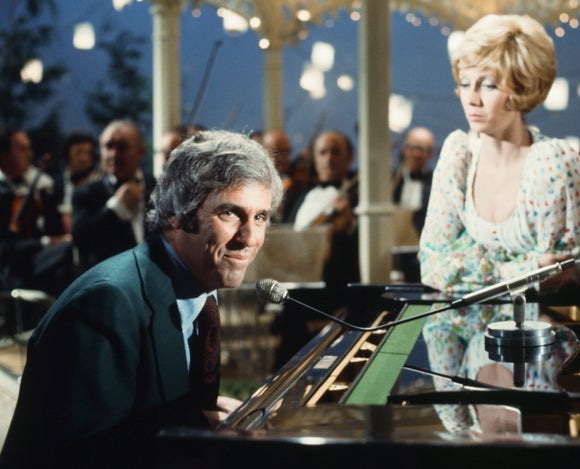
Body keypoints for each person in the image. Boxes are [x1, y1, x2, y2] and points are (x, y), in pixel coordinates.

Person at [0, 130, 284, 467]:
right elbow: (76, 456)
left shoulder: (201, 286)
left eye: (261, 217)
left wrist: (203, 422)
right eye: (230, 214)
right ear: (175, 213)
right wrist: (193, 435)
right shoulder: (105, 304)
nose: (249, 237)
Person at [418, 14, 580, 433]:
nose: (472, 99)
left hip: (559, 333)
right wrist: (518, 270)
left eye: (489, 84)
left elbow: (557, 273)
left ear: (522, 87)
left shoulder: (553, 164)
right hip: (477, 328)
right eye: (466, 83)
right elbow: (433, 266)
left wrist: (473, 263)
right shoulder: (459, 155)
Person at [273, 130, 360, 368]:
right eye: (322, 152)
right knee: (286, 368)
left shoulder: (359, 195)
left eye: (335, 151)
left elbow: (361, 247)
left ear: (349, 158)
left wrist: (350, 219)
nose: (329, 158)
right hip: (295, 297)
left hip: (333, 297)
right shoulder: (298, 195)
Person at [72, 119, 157, 272]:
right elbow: (81, 240)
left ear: (141, 151)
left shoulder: (157, 186)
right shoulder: (85, 193)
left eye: (122, 147)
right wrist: (116, 208)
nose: (113, 154)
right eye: (108, 147)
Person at [0, 126, 71, 294]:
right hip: (14, 270)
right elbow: (4, 248)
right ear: (3, 156)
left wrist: (46, 197)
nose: (30, 155)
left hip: (44, 263)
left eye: (29, 148)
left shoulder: (40, 184)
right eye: (22, 149)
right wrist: (46, 242)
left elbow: (55, 228)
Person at [392, 126, 436, 234]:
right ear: (405, 149)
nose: (416, 154)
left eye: (422, 149)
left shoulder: (435, 183)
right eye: (412, 148)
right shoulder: (391, 180)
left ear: (430, 153)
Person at [55, 130, 100, 233]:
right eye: (78, 152)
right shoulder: (56, 185)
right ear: (67, 155)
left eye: (88, 153)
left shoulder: (98, 185)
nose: (84, 158)